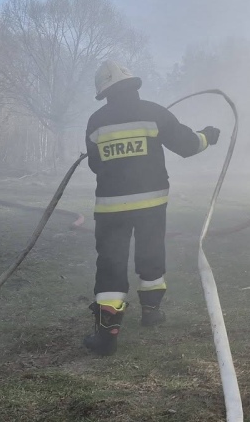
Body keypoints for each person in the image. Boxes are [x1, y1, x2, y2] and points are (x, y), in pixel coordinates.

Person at [82, 60, 221, 356]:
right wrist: (208, 136)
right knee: (151, 253)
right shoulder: (154, 113)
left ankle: (107, 334)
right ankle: (151, 312)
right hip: (151, 204)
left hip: (111, 207)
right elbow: (187, 145)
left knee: (111, 263)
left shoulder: (96, 121)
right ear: (134, 85)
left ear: (104, 92)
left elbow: (95, 164)